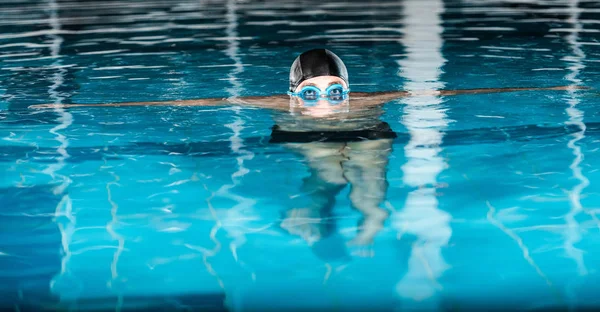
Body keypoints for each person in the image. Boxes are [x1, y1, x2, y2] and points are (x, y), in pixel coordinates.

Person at [31, 49, 585, 255]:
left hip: (366, 132)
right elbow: (203, 99)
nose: (326, 102)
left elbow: (441, 93)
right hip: (328, 139)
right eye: (314, 95)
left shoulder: (367, 101)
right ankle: (339, 213)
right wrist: (123, 108)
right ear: (295, 94)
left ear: (349, 89)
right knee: (332, 171)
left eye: (335, 93)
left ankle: (366, 219)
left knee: (365, 174)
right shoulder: (274, 101)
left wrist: (558, 90)